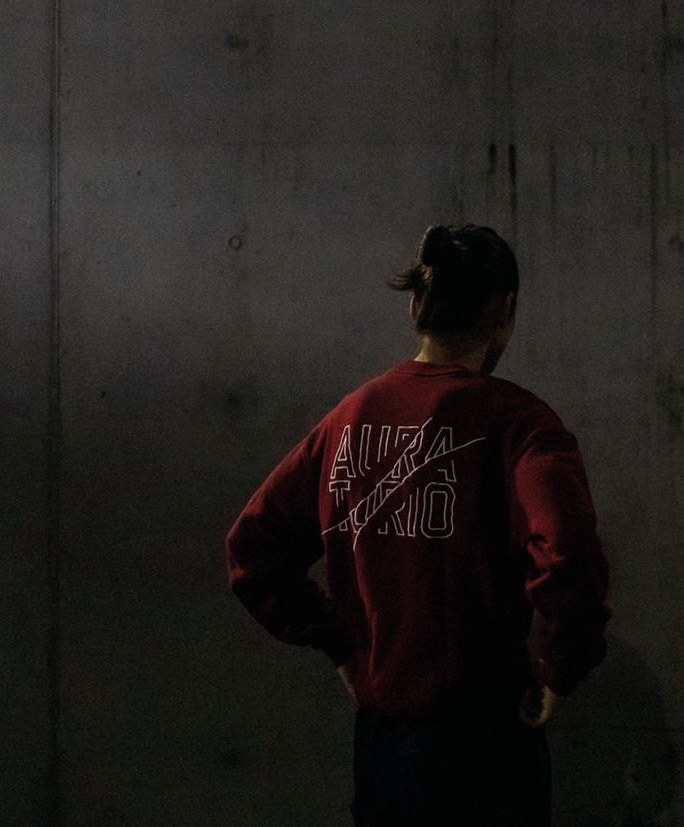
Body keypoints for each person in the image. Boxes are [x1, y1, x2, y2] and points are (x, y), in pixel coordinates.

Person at [225, 224, 611, 826]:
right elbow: (569, 553)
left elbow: (253, 549)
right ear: (505, 309)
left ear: (416, 306)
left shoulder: (349, 420)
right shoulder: (521, 423)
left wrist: (343, 645)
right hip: (487, 750)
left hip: (386, 746)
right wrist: (561, 666)